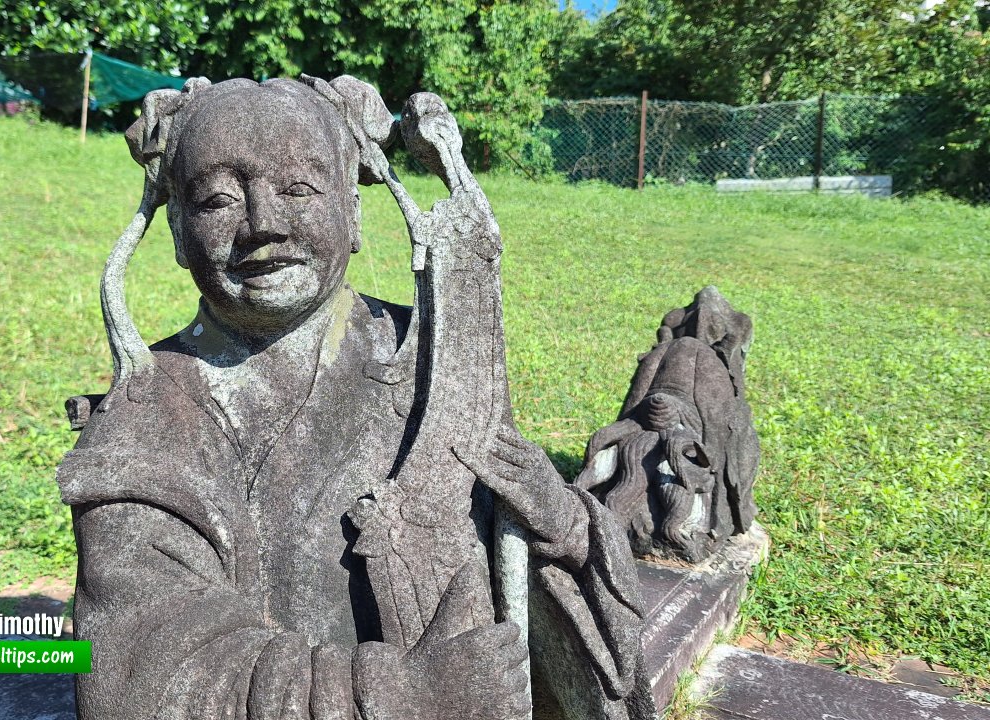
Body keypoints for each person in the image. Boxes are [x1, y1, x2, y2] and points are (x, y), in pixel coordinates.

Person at [58, 77, 651, 719]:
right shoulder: (145, 418)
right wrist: (396, 695)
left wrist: (563, 529)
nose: (263, 226)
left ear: (354, 213)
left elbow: (521, 595)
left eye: (299, 190)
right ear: (177, 228)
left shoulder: (439, 353)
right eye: (218, 199)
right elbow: (141, 672)